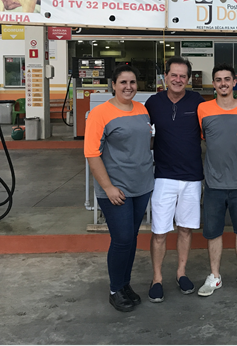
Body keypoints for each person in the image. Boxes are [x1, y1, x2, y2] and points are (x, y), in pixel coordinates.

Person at [84, 64, 154, 313]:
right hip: (116, 189)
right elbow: (92, 154)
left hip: (142, 186)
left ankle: (124, 284)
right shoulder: (100, 113)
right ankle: (115, 289)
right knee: (122, 239)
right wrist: (108, 187)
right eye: (123, 82)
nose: (128, 87)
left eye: (133, 82)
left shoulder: (142, 110)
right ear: (113, 85)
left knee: (131, 238)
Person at [144, 56, 205, 302]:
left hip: (192, 177)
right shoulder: (152, 103)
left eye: (183, 76)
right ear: (166, 77)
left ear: (188, 79)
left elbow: (222, 112)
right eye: (174, 75)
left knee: (186, 229)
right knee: (159, 231)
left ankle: (181, 273)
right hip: (163, 177)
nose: (178, 79)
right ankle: (157, 278)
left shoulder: (198, 102)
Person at [196, 63, 237, 298]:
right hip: (213, 184)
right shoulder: (203, 109)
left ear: (234, 82)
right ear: (214, 84)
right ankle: (215, 276)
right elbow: (203, 138)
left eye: (227, 79)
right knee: (213, 232)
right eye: (218, 79)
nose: (223, 83)